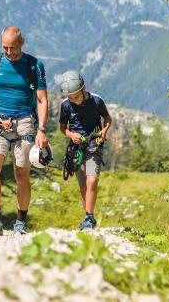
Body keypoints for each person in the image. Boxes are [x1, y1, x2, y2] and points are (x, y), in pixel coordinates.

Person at [0, 26, 49, 235]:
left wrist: (41, 129)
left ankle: (20, 221)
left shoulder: (34, 65)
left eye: (13, 48)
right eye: (5, 47)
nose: (8, 52)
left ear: (22, 43)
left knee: (21, 173)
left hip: (24, 122)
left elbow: (42, 99)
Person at [56, 70, 111, 231]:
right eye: (70, 97)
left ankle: (89, 216)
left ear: (83, 89)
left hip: (94, 145)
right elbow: (62, 128)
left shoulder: (97, 101)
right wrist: (71, 134)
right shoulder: (66, 105)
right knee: (83, 186)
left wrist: (104, 132)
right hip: (76, 149)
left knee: (92, 180)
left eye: (76, 96)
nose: (74, 100)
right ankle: (88, 218)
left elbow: (107, 119)